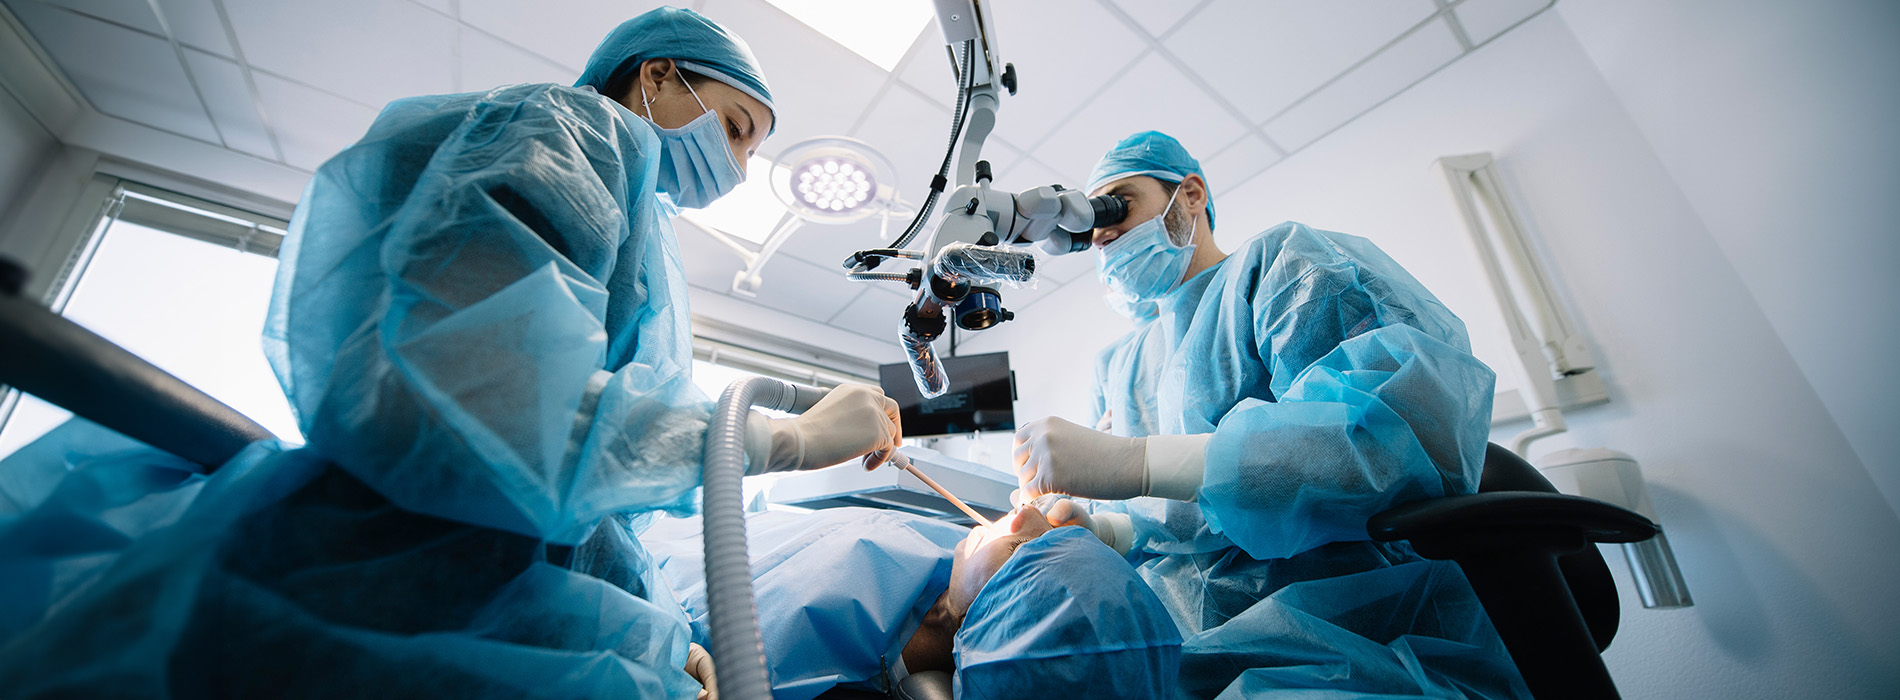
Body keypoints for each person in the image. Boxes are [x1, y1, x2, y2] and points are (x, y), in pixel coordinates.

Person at [0, 7, 903, 698]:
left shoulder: (643, 226)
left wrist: (661, 632)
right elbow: (477, 397)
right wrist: (785, 439)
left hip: (478, 604)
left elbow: (588, 507)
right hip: (374, 591)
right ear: (659, 75)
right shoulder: (569, 135)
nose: (737, 168)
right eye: (735, 128)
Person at [1012, 131, 1533, 699]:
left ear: (1190, 195)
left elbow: (1389, 441)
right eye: (1090, 227)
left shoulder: (1284, 267)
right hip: (1183, 644)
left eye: (1118, 204)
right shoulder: (1121, 365)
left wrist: (1137, 462)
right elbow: (1177, 521)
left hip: (1352, 635)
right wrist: (1108, 529)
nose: (1102, 231)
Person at [637, 502, 1183, 700]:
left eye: (1025, 547)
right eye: (1052, 533)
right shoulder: (943, 557)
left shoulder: (779, 669)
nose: (1023, 513)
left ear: (997, 625)